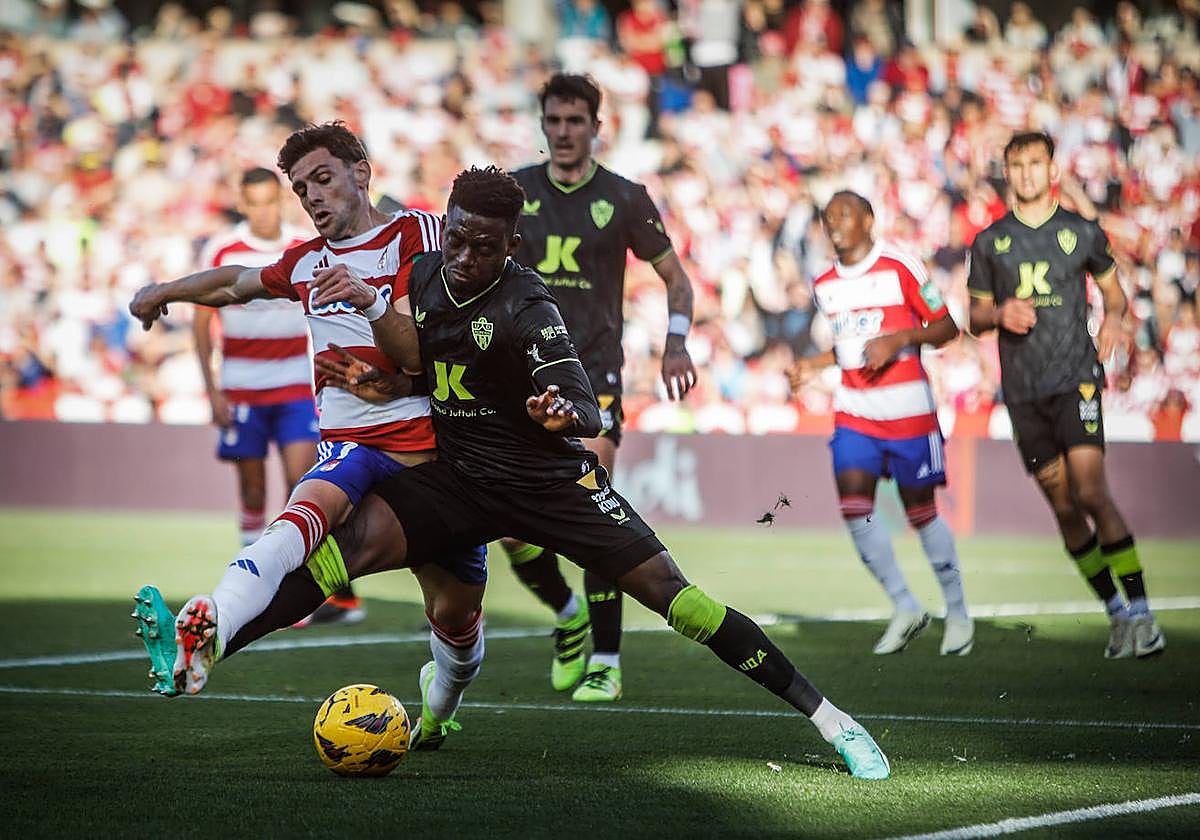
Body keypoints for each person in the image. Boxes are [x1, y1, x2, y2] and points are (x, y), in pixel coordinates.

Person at [138, 166, 892, 779]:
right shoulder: (424, 273)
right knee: (343, 548)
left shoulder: (531, 305)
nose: (467, 257)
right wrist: (390, 385)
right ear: (448, 227)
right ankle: (207, 649)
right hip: (459, 480)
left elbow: (584, 406)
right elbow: (426, 361)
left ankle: (834, 723)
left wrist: (564, 412)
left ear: (512, 244)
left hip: (547, 485)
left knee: (678, 601)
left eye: (486, 246)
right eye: (460, 239)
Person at [129, 122, 485, 708]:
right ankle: (209, 622)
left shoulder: (417, 231)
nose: (312, 196)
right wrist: (166, 290)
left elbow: (423, 344)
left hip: (429, 451)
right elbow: (234, 285)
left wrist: (395, 375)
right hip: (352, 441)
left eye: (323, 179)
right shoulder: (304, 263)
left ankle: (442, 705)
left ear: (361, 173)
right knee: (305, 511)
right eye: (302, 189)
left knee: (455, 614)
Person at [504, 73, 698, 703]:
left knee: (589, 509)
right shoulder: (513, 193)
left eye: (575, 121)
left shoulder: (624, 197)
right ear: (542, 124)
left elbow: (678, 280)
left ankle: (607, 661)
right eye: (554, 120)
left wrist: (675, 343)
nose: (563, 132)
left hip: (592, 377)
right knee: (510, 531)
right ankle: (567, 616)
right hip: (518, 374)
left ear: (596, 127)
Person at [967, 131, 1165, 660]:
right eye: (1017, 164)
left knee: (1090, 490)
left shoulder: (1082, 232)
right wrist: (999, 313)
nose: (1027, 172)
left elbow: (1115, 296)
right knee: (1063, 506)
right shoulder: (990, 243)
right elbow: (974, 316)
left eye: (1036, 162)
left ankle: (1144, 614)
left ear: (1052, 169)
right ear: (1007, 171)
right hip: (1023, 392)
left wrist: (1116, 323)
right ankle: (1117, 614)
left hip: (1075, 379)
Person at [789, 192, 973, 656]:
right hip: (855, 411)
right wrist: (814, 364)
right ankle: (905, 605)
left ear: (869, 220)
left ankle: (958, 611)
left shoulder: (901, 265)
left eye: (845, 215)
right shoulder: (825, 283)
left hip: (909, 412)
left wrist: (902, 338)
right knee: (854, 507)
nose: (835, 224)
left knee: (920, 511)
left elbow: (947, 327)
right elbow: (851, 345)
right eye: (828, 217)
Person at [193, 167, 366, 626]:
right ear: (244, 204)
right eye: (256, 202)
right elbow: (200, 319)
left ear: (280, 201)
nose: (265, 210)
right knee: (252, 489)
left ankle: (296, 585)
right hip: (242, 389)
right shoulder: (223, 248)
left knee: (300, 482)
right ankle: (250, 589)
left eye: (272, 200)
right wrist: (211, 389)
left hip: (294, 387)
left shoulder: (300, 249)